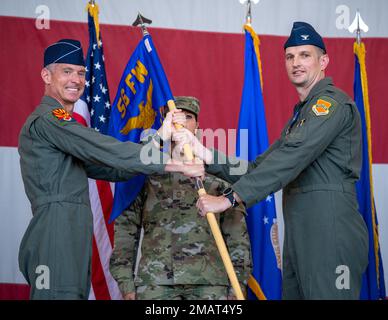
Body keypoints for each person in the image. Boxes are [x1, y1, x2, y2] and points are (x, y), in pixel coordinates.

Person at [175, 22, 369, 300]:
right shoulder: (301, 116)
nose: (296, 63)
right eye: (290, 56)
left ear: (323, 61)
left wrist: (230, 199)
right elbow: (259, 168)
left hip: (330, 233)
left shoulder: (331, 104)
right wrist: (205, 154)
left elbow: (291, 157)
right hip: (302, 235)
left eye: (305, 55)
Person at [18, 39, 204, 300]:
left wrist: (159, 139)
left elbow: (115, 169)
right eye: (67, 71)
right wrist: (177, 164)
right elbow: (103, 148)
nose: (76, 80)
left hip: (70, 226)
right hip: (56, 227)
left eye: (81, 73)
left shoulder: (64, 128)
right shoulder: (50, 119)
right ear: (46, 75)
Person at [109, 96, 252, 300]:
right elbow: (126, 229)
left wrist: (238, 282)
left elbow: (237, 234)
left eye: (188, 117)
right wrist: (125, 283)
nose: (181, 122)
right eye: (174, 117)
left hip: (209, 283)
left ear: (197, 126)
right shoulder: (145, 175)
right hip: (155, 283)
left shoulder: (217, 176)